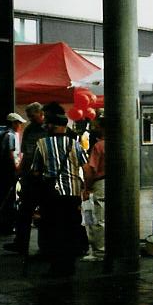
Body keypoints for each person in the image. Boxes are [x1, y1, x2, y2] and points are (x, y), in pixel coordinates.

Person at [31, 103, 88, 276]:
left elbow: (35, 170)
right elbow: (85, 166)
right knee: (71, 228)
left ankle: (56, 266)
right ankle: (69, 265)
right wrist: (86, 188)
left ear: (52, 126)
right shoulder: (74, 144)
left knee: (53, 229)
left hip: (51, 194)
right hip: (72, 193)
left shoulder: (41, 144)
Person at [4, 103, 45, 255]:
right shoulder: (29, 130)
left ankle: (43, 246)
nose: (30, 119)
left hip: (44, 176)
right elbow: (26, 154)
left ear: (40, 113)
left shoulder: (47, 130)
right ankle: (21, 243)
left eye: (32, 116)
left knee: (43, 213)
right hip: (29, 176)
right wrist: (20, 170)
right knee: (24, 211)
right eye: (29, 117)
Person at [0, 112, 26, 235]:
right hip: (7, 173)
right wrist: (17, 168)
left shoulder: (1, 135)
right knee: (8, 199)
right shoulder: (11, 135)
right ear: (14, 123)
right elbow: (10, 154)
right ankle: (6, 226)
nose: (20, 126)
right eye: (19, 123)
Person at [81, 117, 106, 261]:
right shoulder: (119, 143)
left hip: (100, 183)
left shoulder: (98, 146)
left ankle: (100, 252)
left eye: (96, 126)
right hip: (115, 185)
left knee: (98, 218)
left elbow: (90, 169)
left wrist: (87, 188)